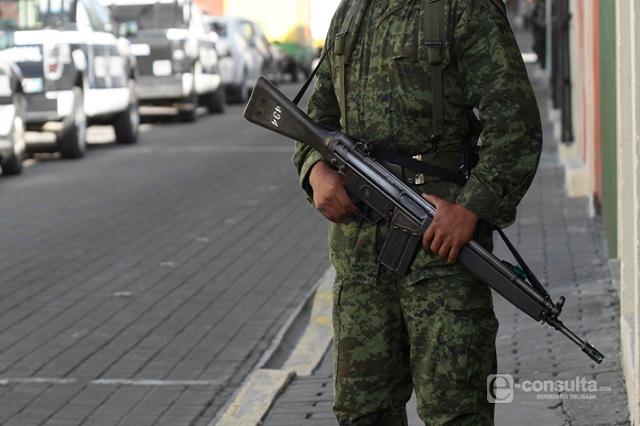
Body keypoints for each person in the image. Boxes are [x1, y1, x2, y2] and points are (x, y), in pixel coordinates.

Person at [293, 0, 542, 424]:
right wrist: (314, 170)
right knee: (362, 412)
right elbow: (317, 118)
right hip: (361, 264)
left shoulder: (465, 10)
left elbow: (516, 126)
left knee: (455, 412)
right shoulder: (352, 11)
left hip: (442, 254)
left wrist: (470, 209)